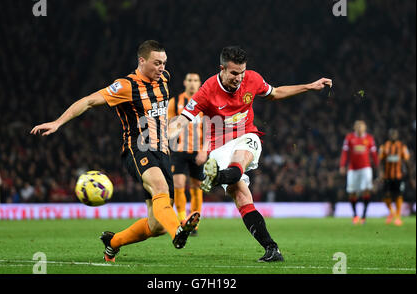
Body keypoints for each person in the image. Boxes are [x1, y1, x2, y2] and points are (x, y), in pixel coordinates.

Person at [30, 40, 200, 262]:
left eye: (164, 63)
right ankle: (178, 230)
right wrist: (58, 122)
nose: (162, 68)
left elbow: (161, 119)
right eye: (157, 63)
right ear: (142, 60)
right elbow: (90, 101)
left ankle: (113, 243)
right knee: (159, 187)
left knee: (156, 225)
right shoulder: (126, 86)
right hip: (138, 149)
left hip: (163, 152)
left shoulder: (164, 79)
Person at [169, 46, 332, 262]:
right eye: (234, 73)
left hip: (247, 136)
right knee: (242, 197)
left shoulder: (252, 79)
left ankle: (217, 177)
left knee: (238, 163)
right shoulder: (207, 90)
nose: (239, 78)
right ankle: (272, 249)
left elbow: (275, 93)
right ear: (222, 69)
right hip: (218, 148)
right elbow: (182, 120)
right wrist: (163, 137)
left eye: (242, 72)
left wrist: (309, 87)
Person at [168, 73, 207, 235]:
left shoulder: (205, 103)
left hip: (198, 151)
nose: (192, 83)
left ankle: (194, 223)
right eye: (189, 80)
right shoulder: (175, 102)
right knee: (178, 184)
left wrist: (205, 150)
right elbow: (169, 126)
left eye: (195, 80)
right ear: (185, 82)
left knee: (196, 186)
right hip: (179, 151)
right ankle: (182, 220)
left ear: (199, 83)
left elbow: (210, 130)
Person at [339, 120, 379, 225]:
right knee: (352, 192)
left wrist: (378, 165)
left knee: (366, 190)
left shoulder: (369, 138)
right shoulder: (349, 138)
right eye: (357, 126)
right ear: (354, 127)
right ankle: (355, 215)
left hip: (366, 168)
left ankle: (364, 216)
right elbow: (344, 152)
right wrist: (342, 165)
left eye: (361, 126)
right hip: (353, 169)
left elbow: (374, 154)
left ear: (365, 128)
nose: (359, 128)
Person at [378, 129, 412, 226]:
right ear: (389, 135)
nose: (393, 136)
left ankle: (397, 216)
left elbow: (407, 162)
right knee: (386, 196)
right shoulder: (384, 147)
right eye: (391, 134)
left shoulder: (402, 147)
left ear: (397, 136)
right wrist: (380, 173)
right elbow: (380, 162)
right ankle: (392, 212)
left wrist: (410, 177)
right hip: (387, 176)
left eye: (394, 134)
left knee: (398, 195)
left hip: (398, 176)